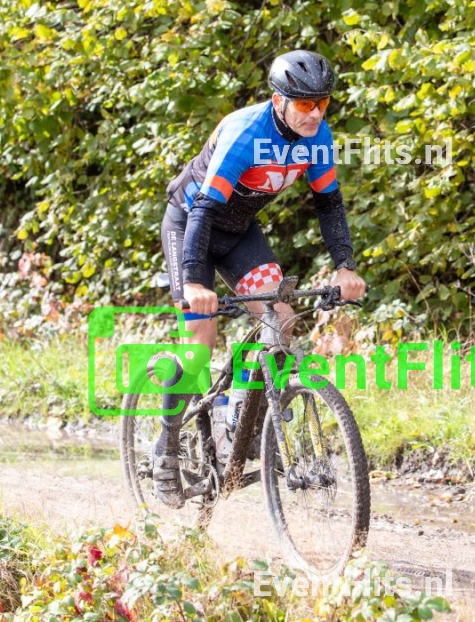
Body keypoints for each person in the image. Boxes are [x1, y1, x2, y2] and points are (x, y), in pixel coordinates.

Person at [155, 50, 366, 508]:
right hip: (190, 223)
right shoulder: (245, 133)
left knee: (281, 319)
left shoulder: (317, 137)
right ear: (278, 101)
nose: (315, 113)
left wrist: (345, 266)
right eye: (305, 103)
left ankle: (238, 418)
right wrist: (194, 282)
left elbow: (329, 204)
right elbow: (204, 209)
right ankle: (166, 450)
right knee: (199, 342)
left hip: (238, 232)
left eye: (322, 103)